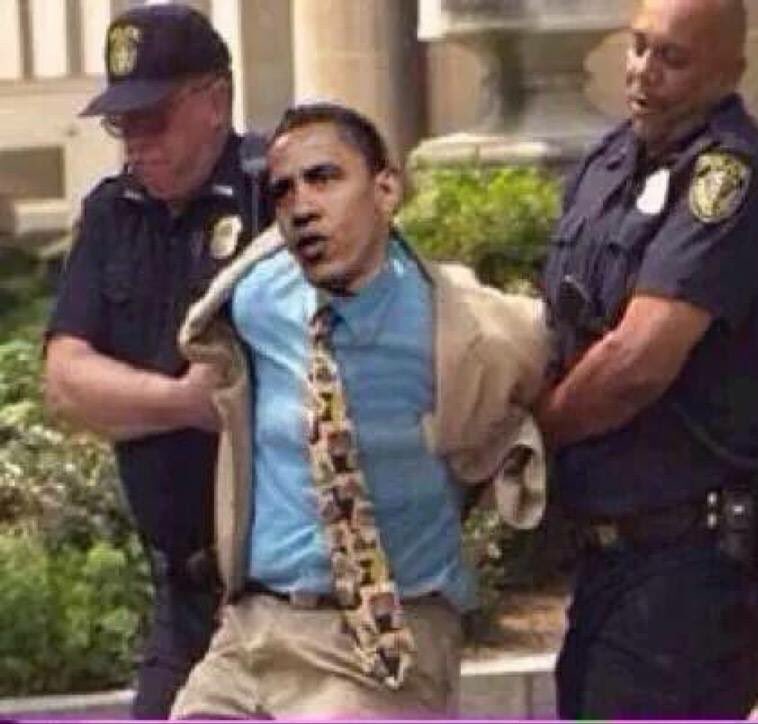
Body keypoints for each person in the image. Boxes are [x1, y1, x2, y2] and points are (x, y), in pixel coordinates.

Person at [168, 102, 549, 719]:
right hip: (250, 635)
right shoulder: (260, 297)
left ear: (386, 189)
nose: (301, 206)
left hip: (380, 643)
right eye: (284, 190)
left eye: (324, 178)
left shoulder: (458, 330)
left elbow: (548, 373)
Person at [539, 0, 758, 718]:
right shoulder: (608, 162)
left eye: (673, 58)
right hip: (615, 557)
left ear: (730, 73)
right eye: (639, 47)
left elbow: (638, 362)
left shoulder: (731, 175)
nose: (644, 71)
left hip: (700, 562)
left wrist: (534, 432)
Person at [43, 5, 271, 718]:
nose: (137, 142)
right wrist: (184, 404)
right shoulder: (113, 214)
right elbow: (66, 380)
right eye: (124, 124)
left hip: (289, 593)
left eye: (154, 119)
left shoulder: (275, 193)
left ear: (215, 101)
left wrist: (129, 401)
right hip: (184, 596)